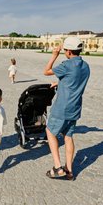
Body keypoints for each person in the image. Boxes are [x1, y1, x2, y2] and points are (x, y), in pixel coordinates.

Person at [43, 37, 90, 180]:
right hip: (75, 108)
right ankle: (69, 171)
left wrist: (54, 56)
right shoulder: (85, 65)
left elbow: (46, 71)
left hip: (62, 108)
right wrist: (59, 83)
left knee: (50, 132)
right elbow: (74, 81)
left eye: (64, 50)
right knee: (68, 137)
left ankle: (58, 167)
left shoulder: (67, 65)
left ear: (69, 51)